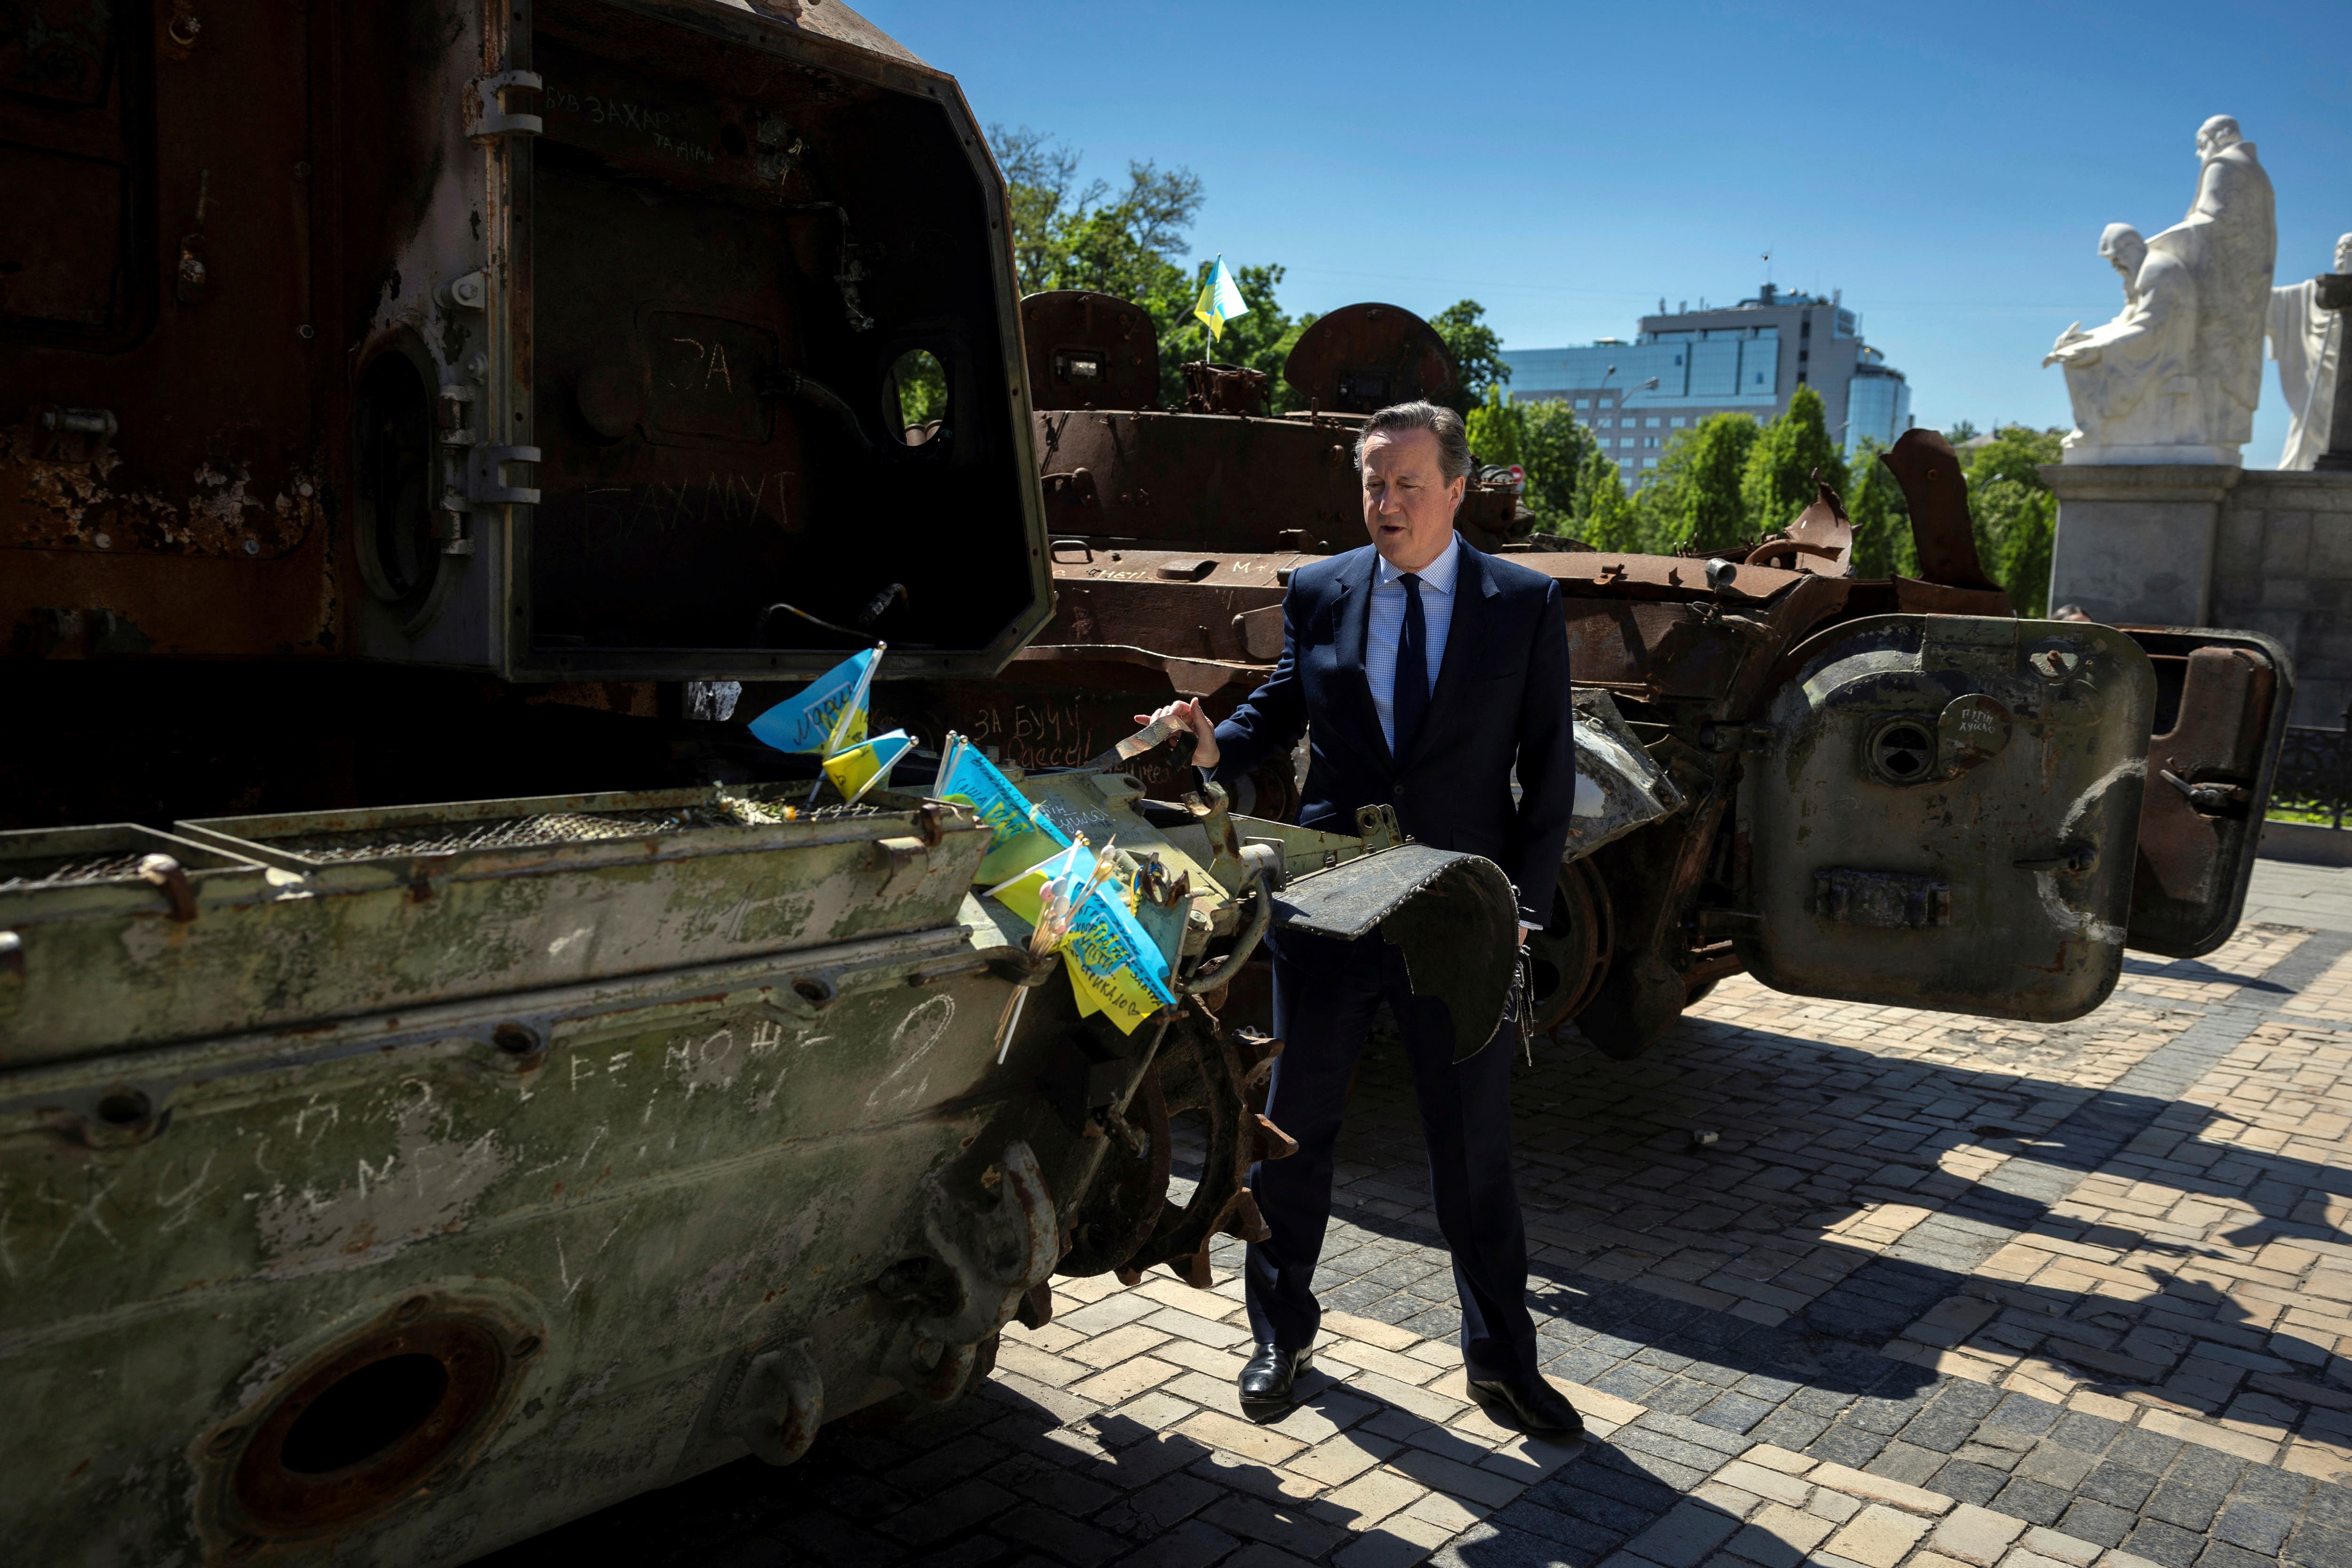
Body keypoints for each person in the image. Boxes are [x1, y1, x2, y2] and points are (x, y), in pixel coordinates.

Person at [1136, 400, 1580, 1436]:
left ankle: (1503, 1362)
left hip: (1457, 915)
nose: (1385, 504)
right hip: (1329, 905)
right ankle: (1278, 1334)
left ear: (1457, 490)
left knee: (1472, 1147)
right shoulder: (1320, 589)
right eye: (1372, 484)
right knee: (1295, 1129)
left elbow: (1548, 772)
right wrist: (1212, 746)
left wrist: (1524, 911)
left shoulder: (1521, 603)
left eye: (1406, 484)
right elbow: (1286, 702)